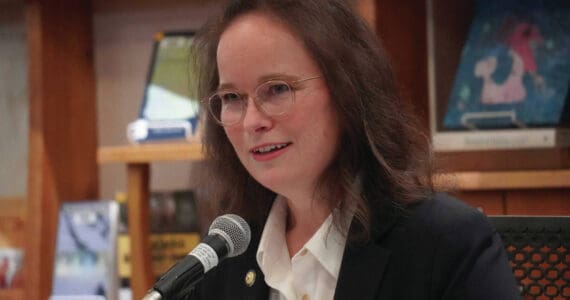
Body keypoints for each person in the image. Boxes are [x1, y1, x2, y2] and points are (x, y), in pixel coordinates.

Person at [185, 0, 520, 299]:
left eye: (277, 89)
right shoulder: (226, 253)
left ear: (347, 89)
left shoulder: (445, 244)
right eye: (232, 98)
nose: (251, 122)